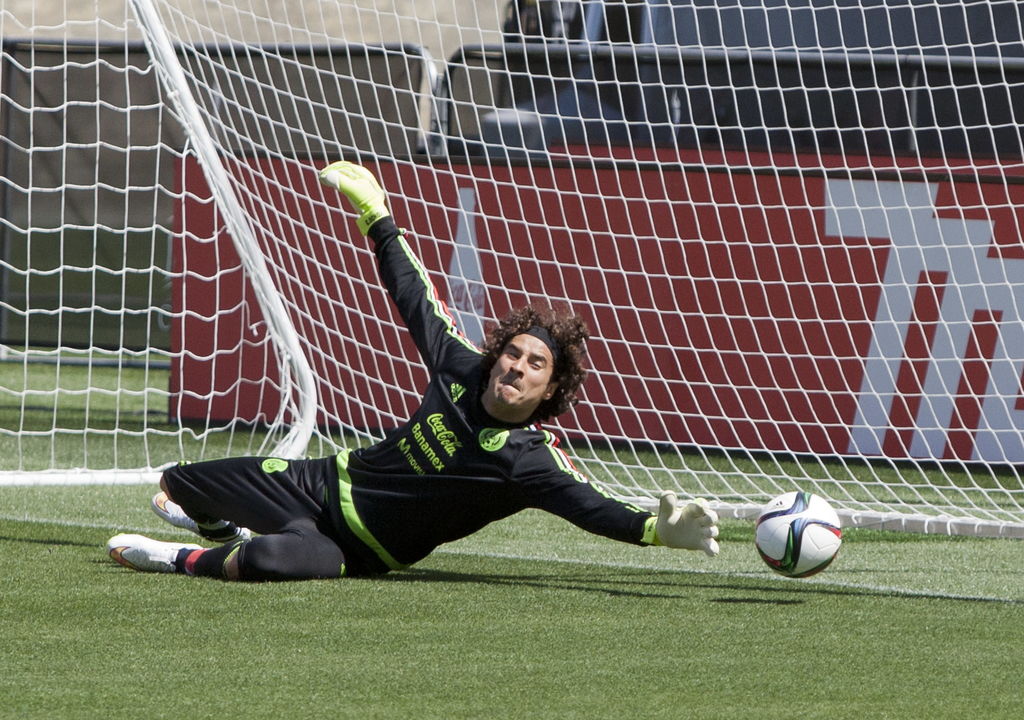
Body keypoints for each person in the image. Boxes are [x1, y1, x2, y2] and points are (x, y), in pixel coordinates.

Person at [106, 161, 720, 581]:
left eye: (535, 365)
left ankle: (179, 558)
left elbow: (592, 507)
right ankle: (220, 521)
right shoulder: (462, 368)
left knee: (268, 563)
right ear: (499, 351)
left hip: (359, 548)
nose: (517, 367)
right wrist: (377, 218)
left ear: (550, 388)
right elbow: (414, 297)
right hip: (317, 483)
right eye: (514, 352)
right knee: (177, 481)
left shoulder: (529, 463)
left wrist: (653, 531)